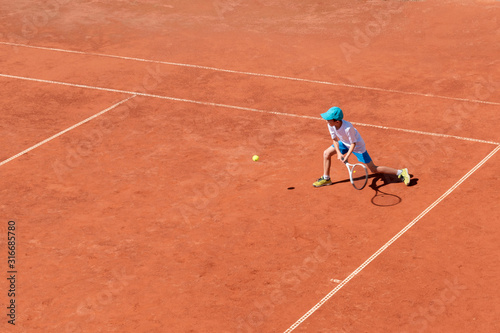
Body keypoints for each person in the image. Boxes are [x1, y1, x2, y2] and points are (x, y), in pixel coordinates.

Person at [313, 106, 410, 187]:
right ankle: (326, 179)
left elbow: (353, 144)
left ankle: (401, 172)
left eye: (328, 119)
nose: (326, 121)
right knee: (326, 153)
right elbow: (335, 139)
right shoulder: (331, 124)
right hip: (344, 143)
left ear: (337, 121)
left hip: (357, 147)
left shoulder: (348, 128)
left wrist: (346, 157)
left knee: (373, 169)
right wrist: (338, 153)